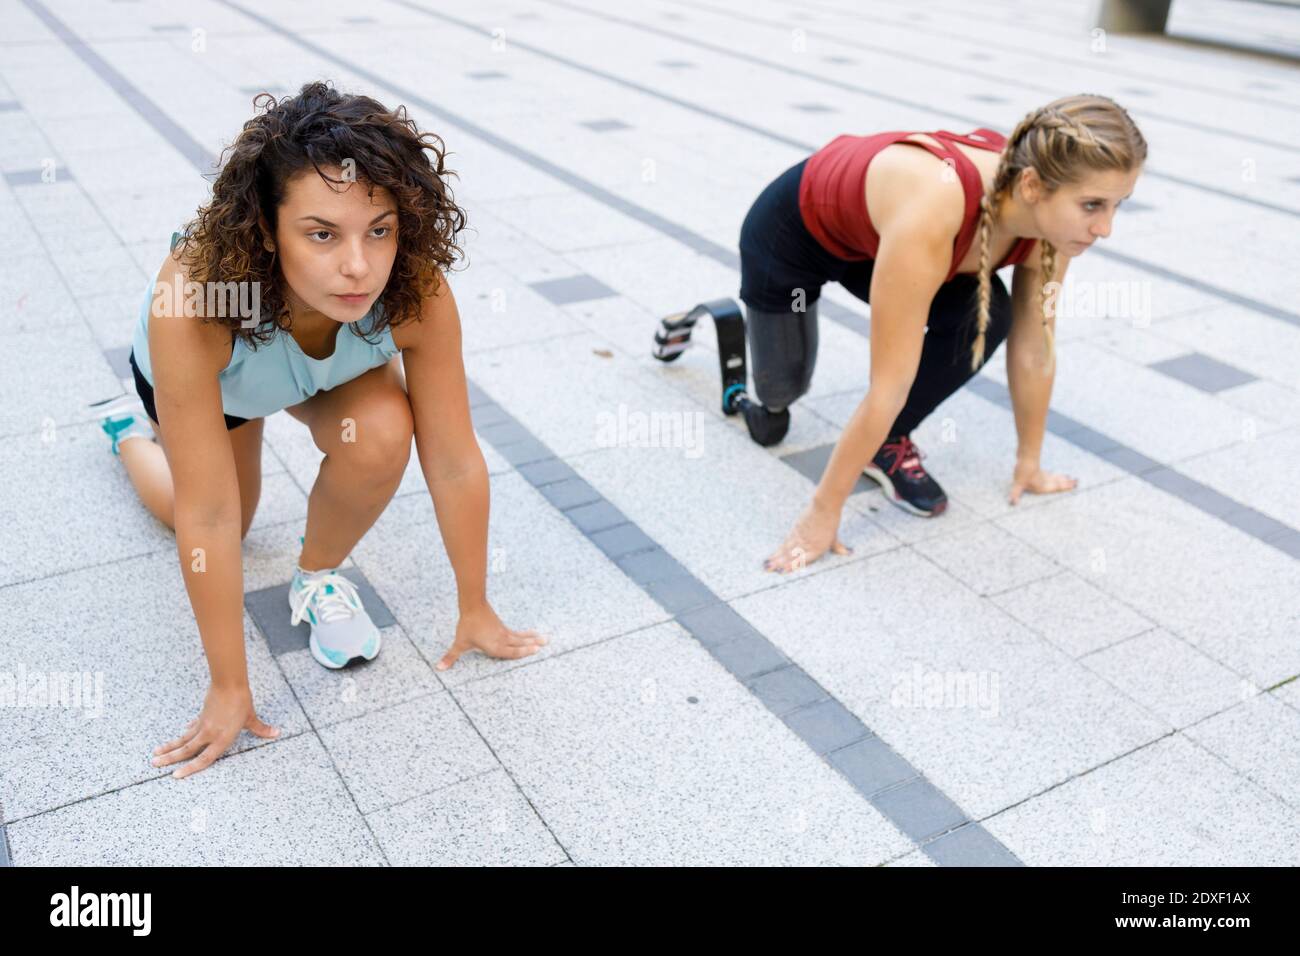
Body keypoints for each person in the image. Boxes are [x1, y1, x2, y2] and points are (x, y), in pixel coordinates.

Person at [93, 81, 546, 779]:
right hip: (225, 383)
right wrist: (228, 687)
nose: (358, 266)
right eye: (322, 233)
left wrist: (475, 605)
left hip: (324, 372)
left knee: (387, 429)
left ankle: (317, 577)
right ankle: (128, 435)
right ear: (267, 228)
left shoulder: (411, 289)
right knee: (230, 518)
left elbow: (454, 460)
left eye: (380, 229)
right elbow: (207, 516)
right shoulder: (196, 301)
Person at [657, 94, 1146, 571]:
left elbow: (1035, 348)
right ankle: (725, 326)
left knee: (990, 313)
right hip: (794, 236)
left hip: (880, 238)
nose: (1105, 228)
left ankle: (887, 443)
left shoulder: (1055, 230)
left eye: (1117, 205)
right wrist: (823, 513)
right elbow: (887, 384)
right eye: (1092, 205)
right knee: (781, 395)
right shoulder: (935, 209)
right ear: (1035, 186)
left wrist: (1030, 463)